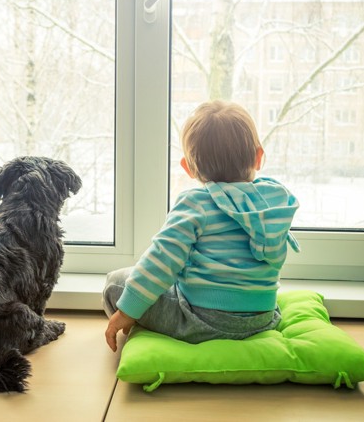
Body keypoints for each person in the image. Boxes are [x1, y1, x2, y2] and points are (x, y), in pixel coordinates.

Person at [103, 99, 300, 352]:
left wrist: (127, 310)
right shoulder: (275, 200)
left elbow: (161, 260)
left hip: (201, 321)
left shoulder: (195, 203)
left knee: (115, 283)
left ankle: (134, 324)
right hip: (263, 320)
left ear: (188, 167)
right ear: (258, 157)